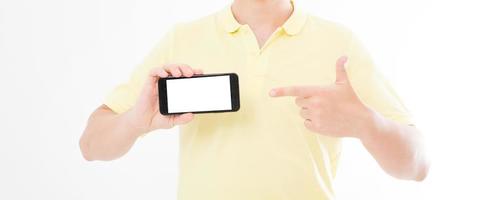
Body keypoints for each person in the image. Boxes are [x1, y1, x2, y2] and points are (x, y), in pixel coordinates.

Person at [79, 0, 429, 199]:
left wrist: (366, 124)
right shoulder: (183, 38)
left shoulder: (340, 43)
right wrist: (135, 121)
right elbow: (91, 145)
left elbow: (418, 165)